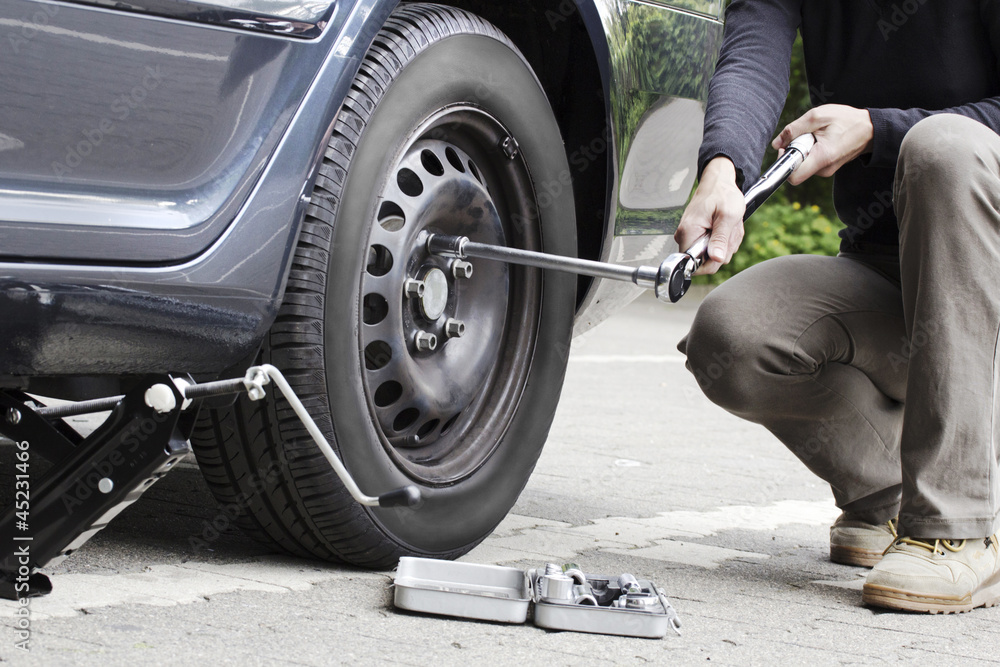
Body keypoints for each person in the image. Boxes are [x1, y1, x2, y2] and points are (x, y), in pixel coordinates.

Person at [676, 0, 1000, 614]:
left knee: (946, 146)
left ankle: (957, 525)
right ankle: (891, 491)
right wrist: (723, 171)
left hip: (985, 261)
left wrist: (882, 127)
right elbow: (751, 60)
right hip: (888, 267)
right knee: (733, 339)